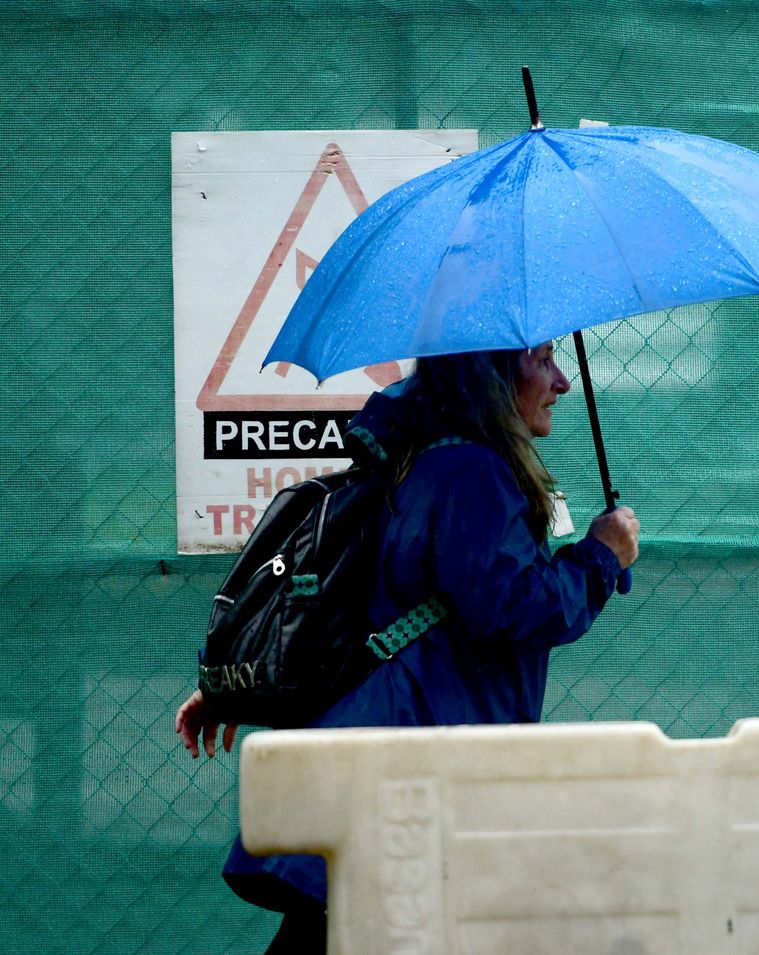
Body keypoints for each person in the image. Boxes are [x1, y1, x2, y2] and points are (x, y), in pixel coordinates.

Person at [175, 342, 640, 952]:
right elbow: (513, 607)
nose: (561, 382)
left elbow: (347, 608)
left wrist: (234, 687)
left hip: (397, 752)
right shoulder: (472, 472)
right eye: (543, 360)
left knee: (341, 926)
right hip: (429, 758)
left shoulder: (418, 459)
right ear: (495, 372)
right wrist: (601, 556)